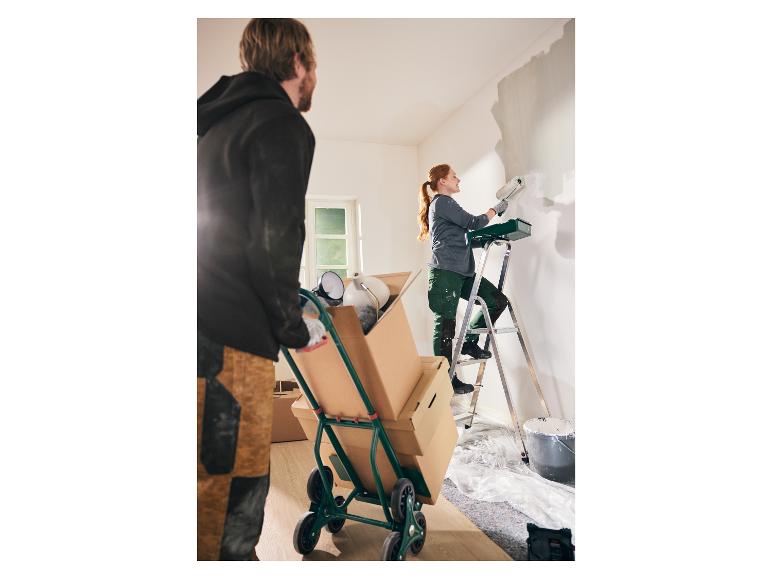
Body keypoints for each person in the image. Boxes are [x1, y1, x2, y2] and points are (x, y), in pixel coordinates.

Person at [197, 18, 326, 561]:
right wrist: (295, 328)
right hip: (230, 342)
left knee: (204, 489)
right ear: (296, 63)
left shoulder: (211, 128)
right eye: (313, 63)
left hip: (199, 325)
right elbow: (275, 238)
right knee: (233, 500)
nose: (315, 74)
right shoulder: (280, 122)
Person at [417, 164, 510, 395]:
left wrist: (486, 238)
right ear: (442, 181)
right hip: (445, 273)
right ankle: (447, 379)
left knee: (497, 301)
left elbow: (463, 237)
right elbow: (474, 223)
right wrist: (495, 209)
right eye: (454, 176)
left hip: (463, 272)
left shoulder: (446, 206)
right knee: (445, 326)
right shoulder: (442, 202)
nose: (458, 180)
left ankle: (469, 342)